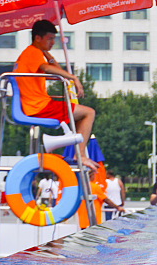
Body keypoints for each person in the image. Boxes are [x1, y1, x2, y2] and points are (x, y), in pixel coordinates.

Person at [13, 20, 98, 171]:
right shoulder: (32, 52)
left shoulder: (35, 53)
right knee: (89, 113)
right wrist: (74, 78)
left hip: (39, 105)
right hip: (39, 107)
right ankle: (80, 155)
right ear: (38, 38)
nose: (53, 42)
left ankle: (78, 152)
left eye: (54, 39)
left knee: (81, 114)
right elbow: (48, 69)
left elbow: (56, 69)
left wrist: (47, 53)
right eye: (49, 39)